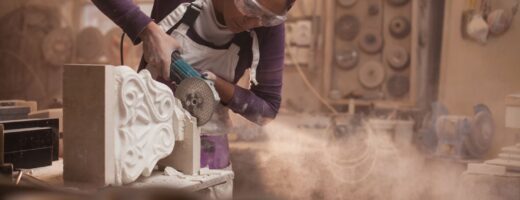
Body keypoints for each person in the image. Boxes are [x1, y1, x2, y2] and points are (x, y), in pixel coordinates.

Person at [92, 0, 294, 198]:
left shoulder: (268, 27)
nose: (252, 22)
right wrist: (147, 30)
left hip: (210, 158)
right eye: (249, 8)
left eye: (266, 18)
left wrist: (218, 85)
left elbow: (267, 110)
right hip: (144, 148)